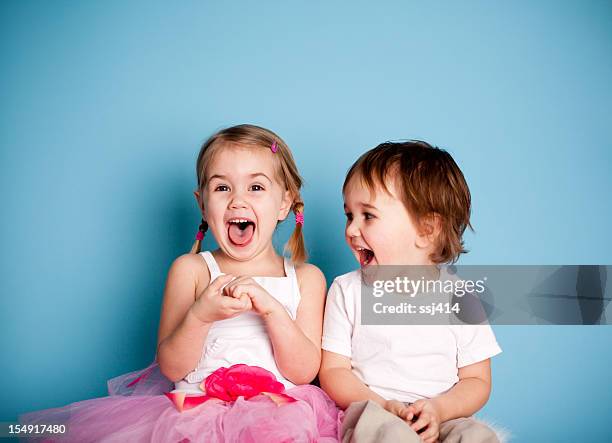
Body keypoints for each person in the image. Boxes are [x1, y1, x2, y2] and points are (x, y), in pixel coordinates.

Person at [19, 124, 339, 442]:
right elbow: (171, 367)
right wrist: (201, 315)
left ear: (284, 202)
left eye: (255, 187)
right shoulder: (192, 270)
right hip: (193, 417)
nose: (237, 201)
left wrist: (272, 311)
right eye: (222, 188)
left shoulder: (306, 278)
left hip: (278, 420)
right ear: (202, 203)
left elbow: (304, 372)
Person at [319, 141, 503, 443]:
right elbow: (334, 372)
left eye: (368, 216)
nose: (351, 230)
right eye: (349, 215)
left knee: (477, 435)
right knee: (389, 436)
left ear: (426, 229)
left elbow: (477, 379)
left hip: (442, 416)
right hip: (374, 412)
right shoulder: (346, 291)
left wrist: (439, 410)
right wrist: (384, 406)